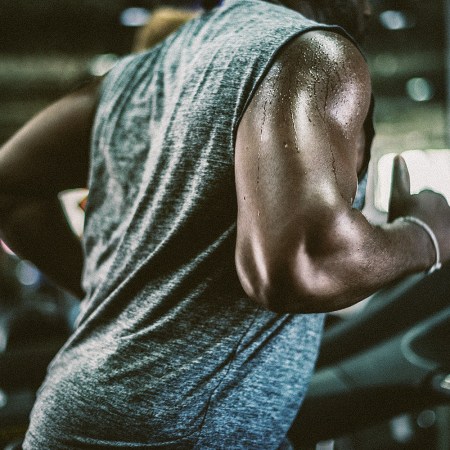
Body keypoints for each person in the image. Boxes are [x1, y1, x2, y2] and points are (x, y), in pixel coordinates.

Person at [0, 0, 449, 448]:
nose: (368, 9)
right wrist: (425, 235)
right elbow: (305, 263)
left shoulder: (134, 75)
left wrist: (128, 299)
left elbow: (9, 192)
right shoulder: (311, 52)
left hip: (73, 415)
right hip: (178, 430)